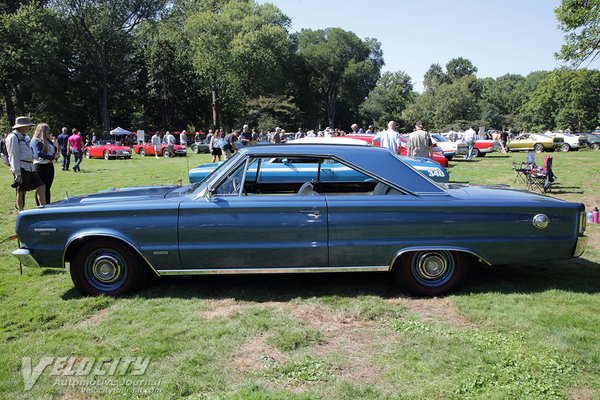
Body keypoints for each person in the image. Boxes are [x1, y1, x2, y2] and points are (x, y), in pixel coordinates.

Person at [6, 116, 46, 211]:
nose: (29, 128)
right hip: (21, 167)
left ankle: (44, 209)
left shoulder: (24, 137)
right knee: (21, 191)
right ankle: (21, 211)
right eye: (27, 126)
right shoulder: (13, 137)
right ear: (21, 126)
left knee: (41, 185)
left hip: (30, 166)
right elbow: (13, 155)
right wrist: (17, 173)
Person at [31, 123, 57, 204]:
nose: (49, 132)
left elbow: (52, 150)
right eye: (47, 130)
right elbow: (38, 153)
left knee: (47, 188)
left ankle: (48, 206)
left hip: (49, 165)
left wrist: (54, 154)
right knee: (41, 188)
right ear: (43, 130)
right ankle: (40, 207)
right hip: (40, 166)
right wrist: (52, 157)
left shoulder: (48, 140)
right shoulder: (35, 140)